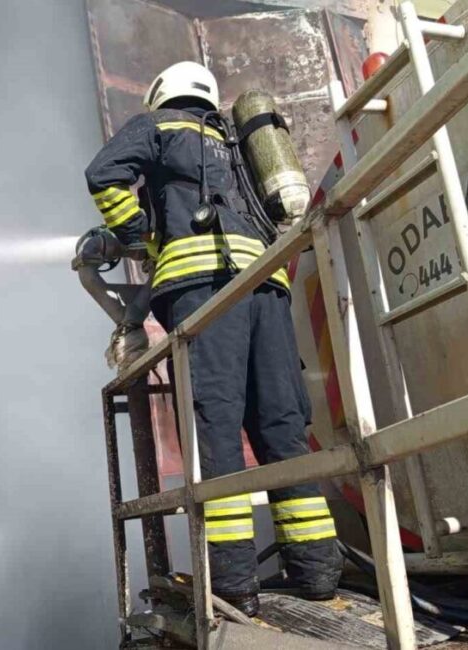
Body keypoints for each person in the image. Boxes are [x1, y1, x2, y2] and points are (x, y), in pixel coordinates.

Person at [84, 61, 341, 617]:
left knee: (217, 431)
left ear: (162, 94)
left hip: (205, 297)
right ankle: (319, 574)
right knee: (281, 427)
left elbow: (103, 172)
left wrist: (133, 235)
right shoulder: (238, 141)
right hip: (268, 287)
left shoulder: (158, 127)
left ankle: (233, 586)